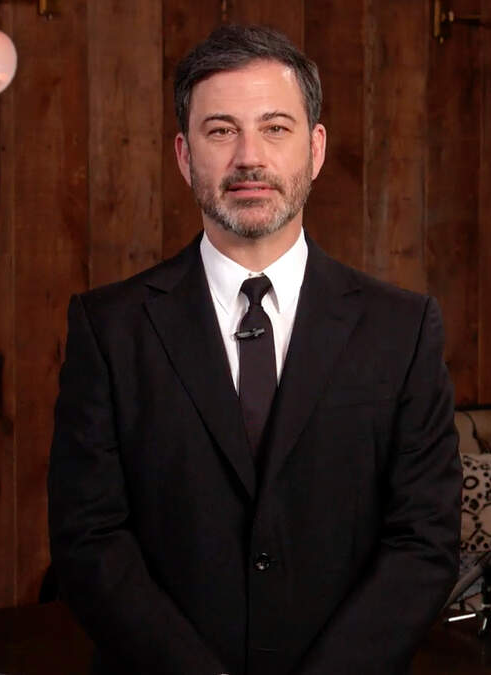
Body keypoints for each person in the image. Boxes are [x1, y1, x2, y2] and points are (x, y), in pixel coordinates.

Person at [48, 24, 461, 675]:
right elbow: (89, 539)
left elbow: (425, 540)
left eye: (275, 128)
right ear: (184, 155)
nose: (249, 157)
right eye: (221, 131)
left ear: (315, 149)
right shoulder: (109, 329)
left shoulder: (402, 330)